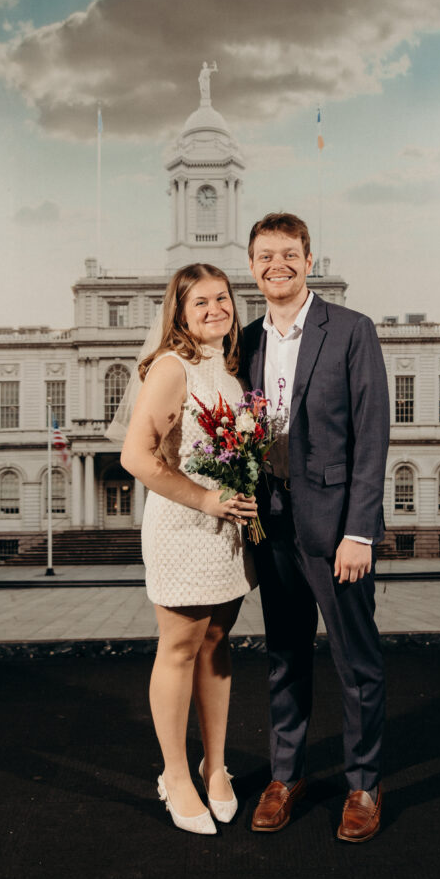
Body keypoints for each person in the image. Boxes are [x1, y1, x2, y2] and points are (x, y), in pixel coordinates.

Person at [242, 213, 390, 842]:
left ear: (309, 259)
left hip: (336, 531)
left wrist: (360, 530)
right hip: (271, 525)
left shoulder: (352, 331)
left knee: (356, 662)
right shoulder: (244, 340)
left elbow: (372, 434)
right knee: (283, 657)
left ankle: (362, 785)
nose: (277, 265)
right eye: (265, 256)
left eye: (288, 254)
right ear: (252, 266)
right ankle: (286, 775)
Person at [118, 263, 258, 835]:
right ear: (178, 312)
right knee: (179, 647)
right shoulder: (172, 369)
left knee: (218, 643)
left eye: (221, 299)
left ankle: (215, 765)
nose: (213, 310)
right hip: (184, 526)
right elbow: (136, 456)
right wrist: (204, 500)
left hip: (227, 531)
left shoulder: (228, 371)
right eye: (198, 302)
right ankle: (176, 775)